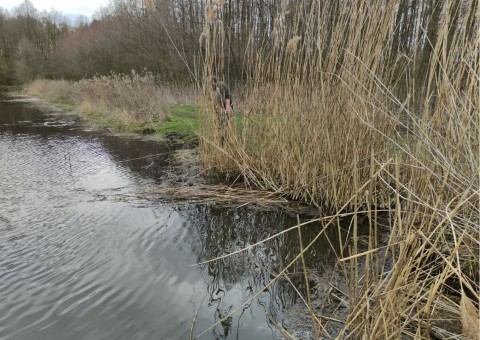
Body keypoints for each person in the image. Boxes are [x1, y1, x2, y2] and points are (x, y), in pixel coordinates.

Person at [211, 76, 233, 145]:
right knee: (220, 125)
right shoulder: (215, 88)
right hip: (220, 109)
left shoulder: (221, 85)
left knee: (224, 125)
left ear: (213, 81)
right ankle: (220, 141)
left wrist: (226, 108)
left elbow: (228, 96)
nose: (210, 86)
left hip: (226, 108)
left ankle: (224, 142)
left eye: (211, 84)